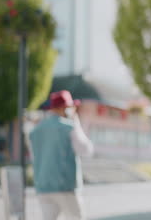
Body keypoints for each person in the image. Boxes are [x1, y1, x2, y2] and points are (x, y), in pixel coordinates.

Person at [29, 90, 94, 220]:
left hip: (43, 186)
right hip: (65, 186)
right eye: (70, 108)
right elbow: (86, 150)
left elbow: (34, 157)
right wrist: (77, 124)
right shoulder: (69, 127)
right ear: (64, 108)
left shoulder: (35, 130)